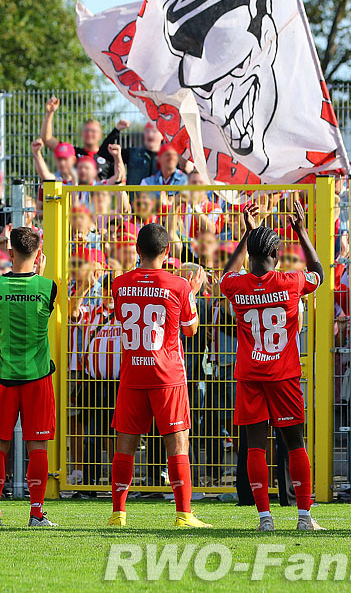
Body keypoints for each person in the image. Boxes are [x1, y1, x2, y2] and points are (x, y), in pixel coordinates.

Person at [219, 198, 325, 531]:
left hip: (250, 375)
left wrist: (245, 235)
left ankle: (265, 518)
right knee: (295, 444)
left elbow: (226, 274)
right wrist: (302, 232)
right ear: (277, 256)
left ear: (249, 254)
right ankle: (304, 516)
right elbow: (320, 273)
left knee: (255, 446)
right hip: (284, 374)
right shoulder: (292, 282)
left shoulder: (235, 286)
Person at [107, 223, 208, 528]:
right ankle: (183, 514)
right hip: (168, 375)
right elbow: (190, 330)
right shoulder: (178, 285)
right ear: (167, 252)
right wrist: (193, 294)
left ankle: (118, 514)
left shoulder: (119, 283)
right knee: (178, 444)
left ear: (137, 251)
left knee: (125, 444)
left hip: (133, 372)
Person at [0, 227, 58, 527]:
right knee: (37, 446)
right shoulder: (47, 286)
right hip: (37, 375)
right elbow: (44, 289)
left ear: (9, 253)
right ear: (38, 253)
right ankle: (36, 513)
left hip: (3, 375)